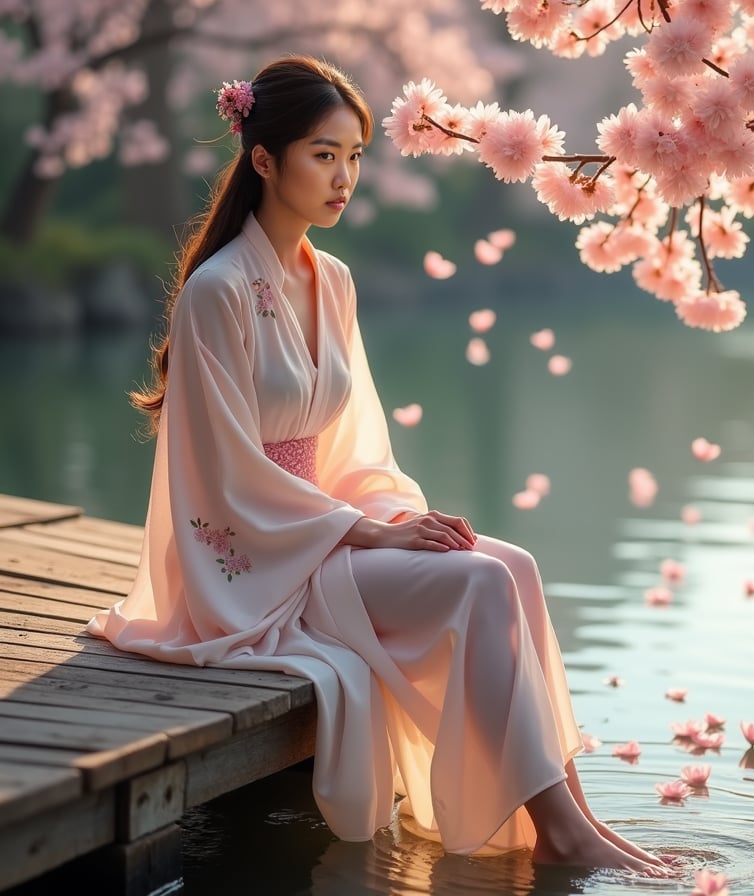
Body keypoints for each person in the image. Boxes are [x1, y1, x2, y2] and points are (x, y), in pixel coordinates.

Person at [88, 54, 669, 875]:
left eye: (356, 155)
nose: (344, 176)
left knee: (517, 565)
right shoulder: (215, 293)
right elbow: (222, 477)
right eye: (323, 154)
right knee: (478, 583)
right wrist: (363, 534)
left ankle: (573, 818)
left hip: (323, 527)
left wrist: (389, 519)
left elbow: (355, 447)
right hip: (257, 557)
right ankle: (563, 835)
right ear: (263, 160)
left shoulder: (334, 281)